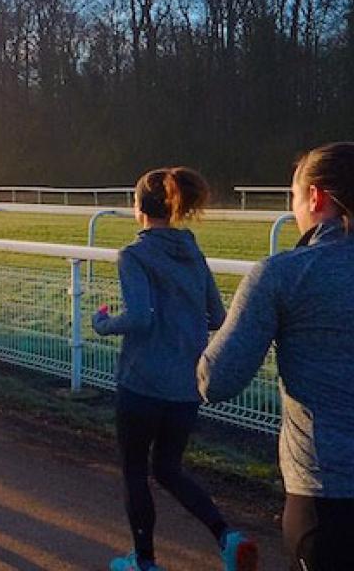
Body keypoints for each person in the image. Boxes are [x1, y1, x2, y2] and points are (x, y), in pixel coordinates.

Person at [90, 168, 256, 571]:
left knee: (134, 470)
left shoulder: (134, 254)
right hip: (186, 385)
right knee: (167, 468)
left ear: (139, 209)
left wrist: (103, 324)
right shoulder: (192, 252)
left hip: (142, 383)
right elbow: (217, 315)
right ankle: (226, 537)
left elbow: (142, 317)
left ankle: (144, 562)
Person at [200, 142, 354, 571]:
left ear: (317, 197)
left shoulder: (284, 274)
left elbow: (216, 381)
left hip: (327, 498)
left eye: (294, 197)